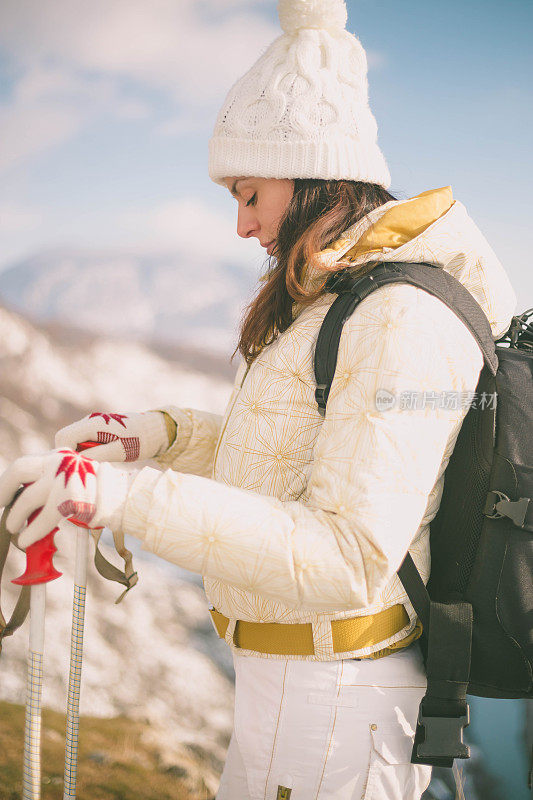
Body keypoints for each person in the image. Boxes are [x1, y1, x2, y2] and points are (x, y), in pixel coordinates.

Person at [0, 1, 517, 798]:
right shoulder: (335, 302)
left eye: (249, 193)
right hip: (297, 690)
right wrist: (158, 436)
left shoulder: (398, 315)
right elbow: (287, 460)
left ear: (313, 172)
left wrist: (122, 499)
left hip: (338, 709)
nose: (241, 226)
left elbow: (345, 555)